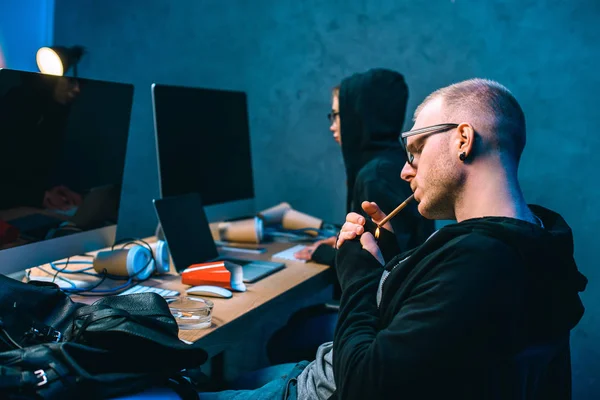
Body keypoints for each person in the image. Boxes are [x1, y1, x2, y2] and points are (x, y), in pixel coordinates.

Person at [200, 78, 587, 399]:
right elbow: (432, 327)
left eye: (415, 149)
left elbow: (365, 387)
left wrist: (359, 277)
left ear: (463, 140)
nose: (404, 170)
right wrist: (391, 266)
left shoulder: (481, 260)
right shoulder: (537, 235)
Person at [267, 68, 435, 365]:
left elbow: (375, 262)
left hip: (378, 320)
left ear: (360, 115)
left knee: (285, 337)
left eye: (338, 114)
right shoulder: (393, 160)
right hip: (391, 311)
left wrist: (323, 252)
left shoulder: (375, 174)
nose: (332, 126)